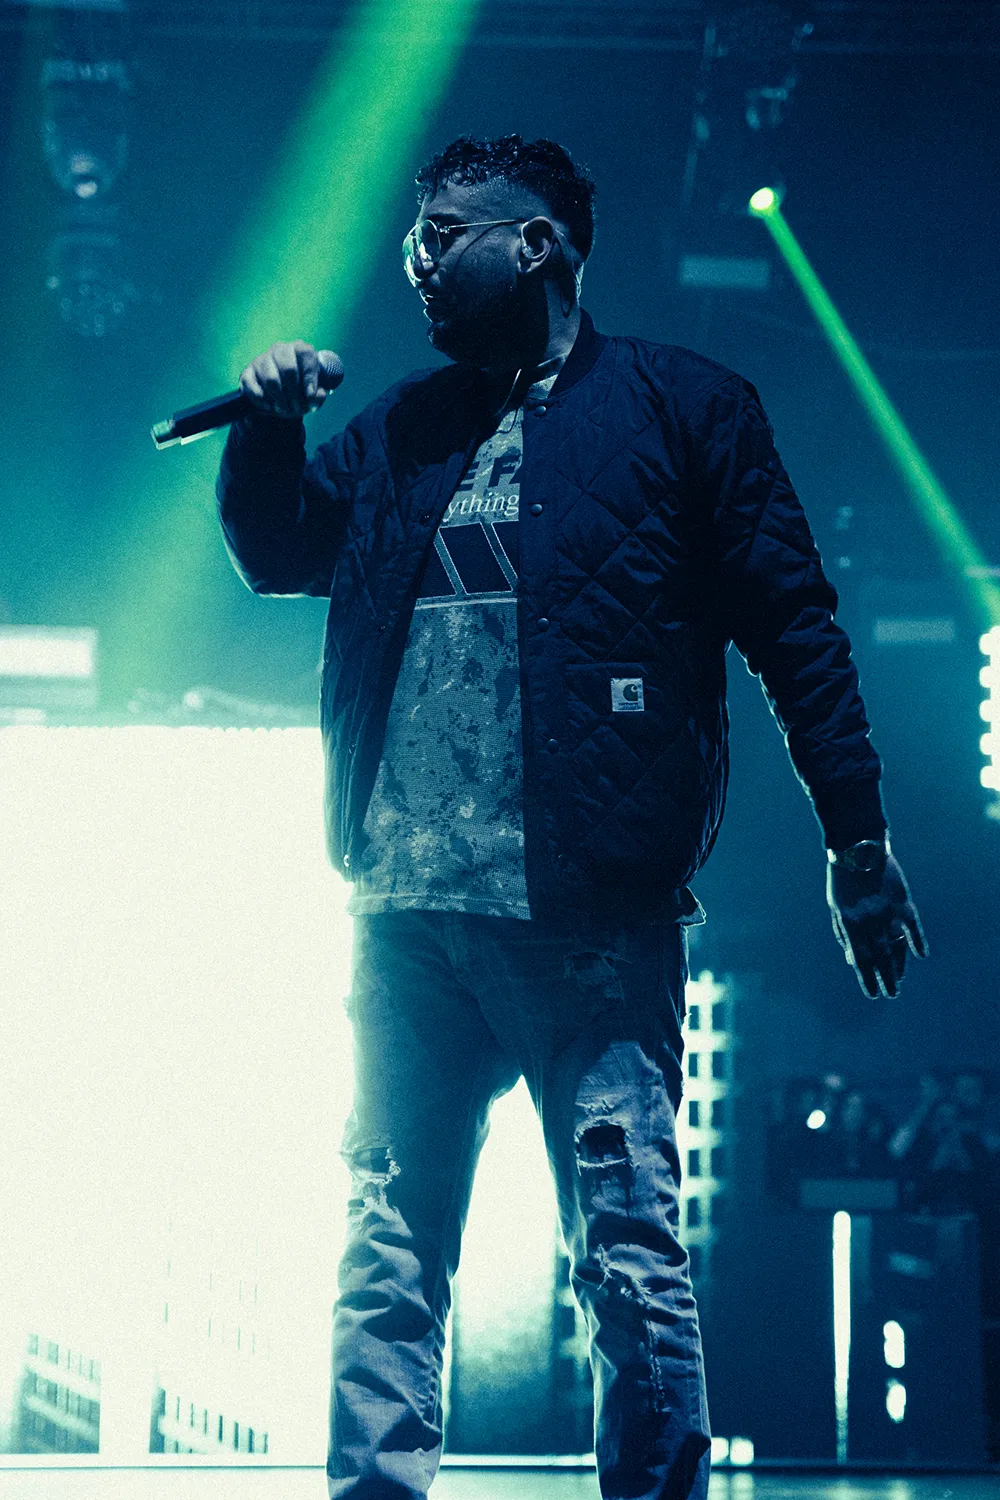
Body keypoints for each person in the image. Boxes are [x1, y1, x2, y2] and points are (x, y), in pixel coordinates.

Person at [215, 135, 927, 1500]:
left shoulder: (684, 409)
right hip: (407, 918)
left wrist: (859, 842)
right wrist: (265, 428)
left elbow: (798, 633)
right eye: (415, 237)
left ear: (534, 244)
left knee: (626, 1253)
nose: (418, 261)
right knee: (387, 1251)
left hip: (590, 922)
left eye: (445, 234)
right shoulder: (407, 427)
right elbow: (281, 552)